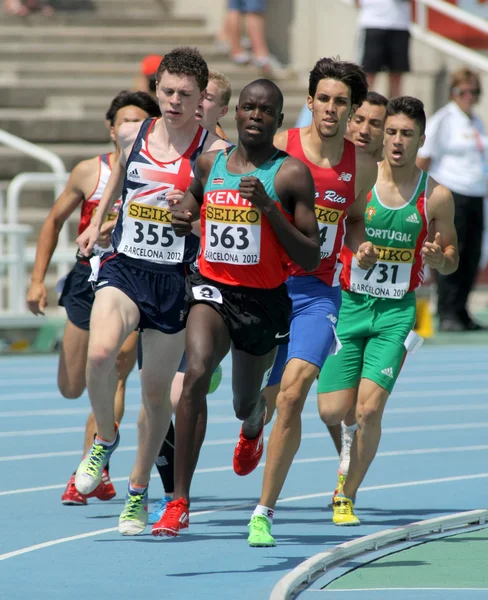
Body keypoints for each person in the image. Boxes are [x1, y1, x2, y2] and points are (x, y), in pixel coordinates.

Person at [152, 78, 321, 538]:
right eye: (248, 107)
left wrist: (268, 208)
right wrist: (182, 215)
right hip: (211, 289)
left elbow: (311, 255)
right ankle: (178, 501)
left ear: (278, 121)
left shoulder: (290, 175)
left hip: (263, 301)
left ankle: (251, 426)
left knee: (246, 400)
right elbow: (189, 205)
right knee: (196, 373)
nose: (255, 116)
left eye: (266, 111)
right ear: (236, 113)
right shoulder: (210, 164)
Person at [74, 47, 229, 535]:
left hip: (175, 281)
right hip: (126, 266)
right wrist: (97, 223)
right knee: (99, 355)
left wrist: (194, 218)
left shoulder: (215, 154)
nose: (174, 102)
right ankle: (105, 436)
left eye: (185, 94)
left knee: (155, 394)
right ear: (156, 88)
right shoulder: (133, 132)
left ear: (201, 96)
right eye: (166, 91)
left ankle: (138, 491)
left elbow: (222, 224)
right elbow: (118, 176)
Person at [249, 57, 379, 548]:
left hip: (318, 293)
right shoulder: (282, 147)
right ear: (309, 102)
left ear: (352, 109)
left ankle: (263, 511)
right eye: (323, 98)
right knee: (256, 399)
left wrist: (358, 245)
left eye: (340, 101)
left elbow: (358, 220)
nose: (330, 108)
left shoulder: (361, 165)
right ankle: (250, 422)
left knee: (293, 393)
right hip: (265, 287)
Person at [318, 96, 459, 526]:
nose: (397, 142)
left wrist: (438, 259)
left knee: (368, 410)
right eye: (391, 132)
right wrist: (356, 246)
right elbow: (349, 225)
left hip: (397, 313)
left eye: (406, 134)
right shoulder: (363, 180)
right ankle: (350, 447)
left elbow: (452, 256)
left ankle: (347, 493)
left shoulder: (436, 196)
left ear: (421, 139)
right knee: (332, 411)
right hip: (350, 304)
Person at [26, 90, 160, 506]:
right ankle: (100, 458)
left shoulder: (160, 173)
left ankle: (92, 463)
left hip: (132, 278)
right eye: (125, 122)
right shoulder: (90, 172)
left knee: (116, 367)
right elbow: (52, 220)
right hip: (87, 277)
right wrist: (36, 280)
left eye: (141, 122)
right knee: (72, 384)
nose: (131, 129)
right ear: (111, 128)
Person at [147, 70, 233, 525]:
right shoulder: (157, 138)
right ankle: (145, 483)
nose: (191, 104)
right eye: (175, 94)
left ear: (218, 109)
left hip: (203, 281)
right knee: (133, 376)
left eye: (205, 98)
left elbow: (230, 230)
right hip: (148, 273)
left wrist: (193, 216)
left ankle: (170, 492)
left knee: (184, 385)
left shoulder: (223, 158)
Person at [326, 90, 388, 472]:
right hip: (323, 290)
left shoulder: (395, 180)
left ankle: (347, 460)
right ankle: (346, 448)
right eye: (359, 120)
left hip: (374, 304)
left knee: (356, 405)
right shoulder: (326, 167)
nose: (364, 130)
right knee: (329, 405)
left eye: (375, 123)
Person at [417, 68, 487, 332]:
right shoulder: (444, 119)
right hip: (452, 193)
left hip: (476, 195)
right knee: (451, 251)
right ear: (453, 92)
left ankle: (462, 310)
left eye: (474, 92)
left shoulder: (475, 121)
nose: (468, 96)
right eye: (462, 91)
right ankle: (447, 311)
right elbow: (424, 159)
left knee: (472, 255)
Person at [355, 0, 411, 98]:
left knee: (396, 75)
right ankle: (364, 109)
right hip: (372, 22)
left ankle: (395, 110)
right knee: (368, 74)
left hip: (399, 24)